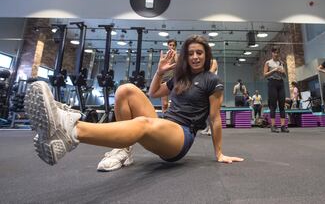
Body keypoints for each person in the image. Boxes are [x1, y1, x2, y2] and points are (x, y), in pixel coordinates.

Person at [25, 35, 244, 168]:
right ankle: (124, 152)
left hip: (181, 137)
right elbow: (154, 93)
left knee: (143, 123)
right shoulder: (180, 77)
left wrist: (219, 153)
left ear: (206, 55)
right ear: (185, 56)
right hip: (165, 125)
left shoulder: (212, 80)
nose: (195, 57)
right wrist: (159, 72)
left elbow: (215, 120)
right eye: (191, 53)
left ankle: (71, 130)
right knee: (125, 89)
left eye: (199, 53)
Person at [263, 46, 289, 133]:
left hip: (280, 83)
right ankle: (273, 126)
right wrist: (274, 70)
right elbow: (265, 75)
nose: (276, 54)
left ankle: (283, 126)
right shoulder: (268, 63)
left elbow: (285, 76)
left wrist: (282, 72)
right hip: (272, 83)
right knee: (273, 105)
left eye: (278, 53)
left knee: (282, 105)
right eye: (275, 52)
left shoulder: (281, 63)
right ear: (272, 53)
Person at [200, 58, 218, 136]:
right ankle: (207, 127)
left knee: (212, 111)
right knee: (206, 111)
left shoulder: (213, 61)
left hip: (213, 88)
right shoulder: (205, 64)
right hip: (206, 88)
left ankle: (211, 129)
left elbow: (210, 73)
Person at [161, 39, 178, 113]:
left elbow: (178, 64)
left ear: (175, 46)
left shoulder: (177, 56)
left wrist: (175, 55)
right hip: (164, 80)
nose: (172, 46)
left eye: (173, 45)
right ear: (168, 46)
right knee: (165, 104)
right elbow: (161, 68)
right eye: (170, 45)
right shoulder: (164, 56)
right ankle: (164, 120)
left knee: (175, 103)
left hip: (174, 81)